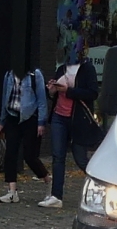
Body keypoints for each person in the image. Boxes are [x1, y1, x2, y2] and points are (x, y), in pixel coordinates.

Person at [40, 52, 102, 208]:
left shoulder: (88, 69)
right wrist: (52, 90)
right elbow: (53, 94)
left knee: (80, 159)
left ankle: (102, 189)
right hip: (58, 117)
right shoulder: (61, 68)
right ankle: (56, 196)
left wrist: (68, 90)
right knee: (57, 156)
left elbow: (92, 93)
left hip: (77, 120)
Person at [0, 64, 49, 203]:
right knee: (10, 153)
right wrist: (1, 122)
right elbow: (5, 99)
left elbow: (42, 100)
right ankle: (12, 191)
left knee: (30, 156)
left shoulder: (35, 75)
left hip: (30, 118)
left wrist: (41, 122)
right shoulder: (9, 75)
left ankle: (48, 181)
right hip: (13, 117)